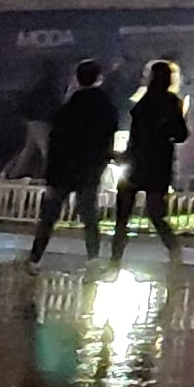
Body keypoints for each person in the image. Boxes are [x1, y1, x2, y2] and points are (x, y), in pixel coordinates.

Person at [28, 60, 119, 264]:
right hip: (90, 169)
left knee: (50, 216)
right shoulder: (106, 106)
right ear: (99, 78)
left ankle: (35, 258)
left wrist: (51, 175)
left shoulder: (69, 107)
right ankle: (93, 259)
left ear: (77, 79)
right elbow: (108, 137)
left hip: (64, 170)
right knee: (89, 215)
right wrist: (102, 162)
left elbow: (56, 142)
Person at [113, 60, 189, 266]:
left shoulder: (142, 102)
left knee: (122, 217)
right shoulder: (172, 102)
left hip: (136, 162)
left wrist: (125, 154)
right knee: (155, 213)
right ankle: (174, 251)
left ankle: (114, 261)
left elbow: (136, 134)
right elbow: (181, 134)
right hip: (158, 163)